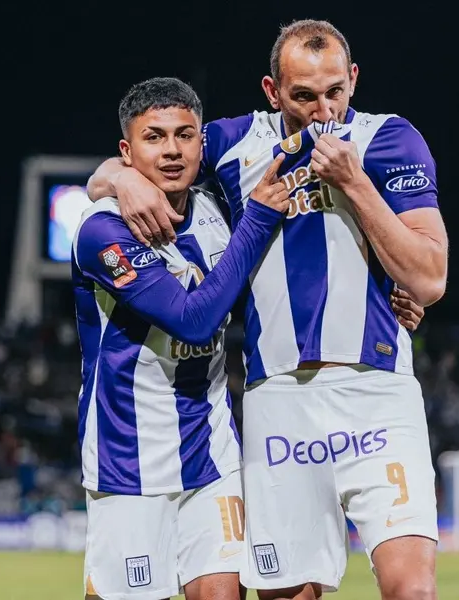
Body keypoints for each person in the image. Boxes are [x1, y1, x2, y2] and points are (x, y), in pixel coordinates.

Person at [85, 19, 446, 600]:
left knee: (412, 591)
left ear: (354, 79)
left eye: (335, 91)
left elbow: (429, 278)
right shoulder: (232, 144)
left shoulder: (389, 139)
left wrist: (356, 184)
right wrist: (122, 180)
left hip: (377, 391)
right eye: (304, 96)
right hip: (278, 400)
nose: (323, 111)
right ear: (272, 91)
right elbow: (149, 158)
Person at [74, 77, 289, 600]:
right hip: (128, 464)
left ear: (200, 143)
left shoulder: (217, 209)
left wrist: (394, 291)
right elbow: (192, 321)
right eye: (154, 137)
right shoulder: (102, 230)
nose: (171, 149)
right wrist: (258, 218)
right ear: (127, 151)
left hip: (212, 454)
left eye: (184, 135)